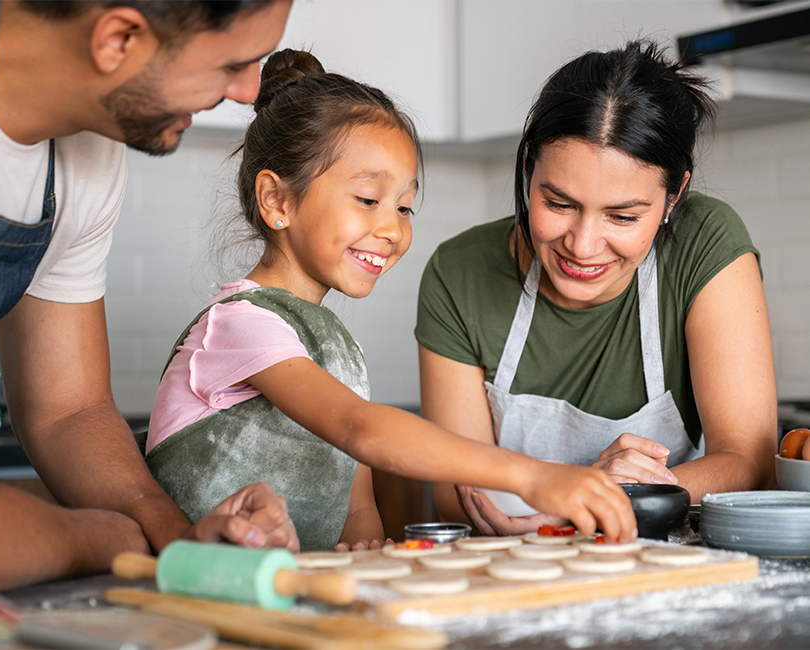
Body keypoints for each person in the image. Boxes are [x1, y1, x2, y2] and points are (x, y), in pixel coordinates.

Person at [145, 48, 638, 553]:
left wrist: (365, 557)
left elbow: (357, 505)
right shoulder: (239, 324)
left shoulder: (340, 353)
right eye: (368, 200)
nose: (393, 230)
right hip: (196, 587)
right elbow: (360, 429)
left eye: (404, 207)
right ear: (277, 200)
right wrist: (536, 477)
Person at [0, 0, 299, 591]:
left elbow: (68, 410)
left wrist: (175, 536)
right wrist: (119, 539)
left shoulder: (86, 151)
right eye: (232, 64)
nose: (249, 92)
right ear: (118, 39)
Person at [416, 40, 777, 537]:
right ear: (529, 166)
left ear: (674, 196)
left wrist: (605, 497)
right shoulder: (459, 271)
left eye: (622, 217)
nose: (582, 246)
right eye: (559, 203)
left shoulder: (704, 242)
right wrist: (585, 493)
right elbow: (457, 495)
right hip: (515, 565)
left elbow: (749, 463)